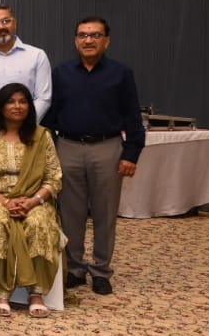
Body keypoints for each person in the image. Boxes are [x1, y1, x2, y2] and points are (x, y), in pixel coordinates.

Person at [44, 16, 144, 296]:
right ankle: (75, 269)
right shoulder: (61, 72)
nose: (88, 40)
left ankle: (101, 271)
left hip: (107, 148)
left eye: (95, 35)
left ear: (106, 41)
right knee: (70, 213)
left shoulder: (121, 73)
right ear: (76, 40)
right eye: (83, 35)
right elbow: (51, 115)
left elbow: (132, 116)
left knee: (105, 213)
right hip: (68, 147)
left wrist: (132, 153)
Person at [0, 83, 62, 317]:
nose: (17, 106)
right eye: (11, 101)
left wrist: (33, 201)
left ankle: (36, 293)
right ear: (0, 106)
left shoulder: (41, 136)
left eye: (23, 101)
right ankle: (0, 292)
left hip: (35, 200)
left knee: (38, 224)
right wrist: (4, 202)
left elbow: (54, 177)